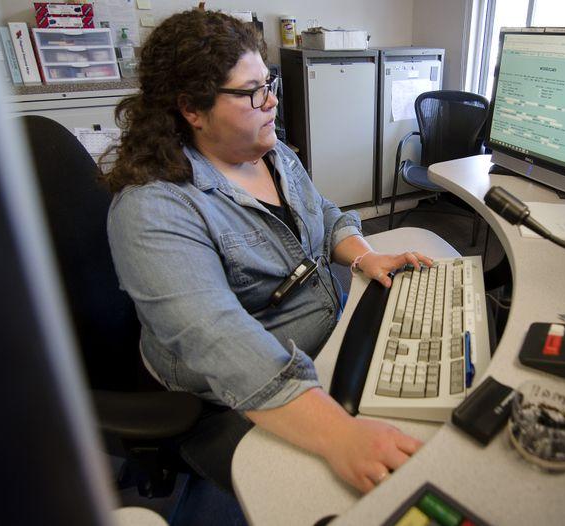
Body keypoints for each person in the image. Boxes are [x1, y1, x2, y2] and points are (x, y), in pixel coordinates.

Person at [103, 9, 431, 495]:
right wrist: (339, 434)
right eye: (253, 91)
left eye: (269, 82)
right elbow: (220, 339)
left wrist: (364, 256)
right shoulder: (153, 209)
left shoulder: (272, 152)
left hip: (323, 345)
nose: (273, 101)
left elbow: (323, 211)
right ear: (192, 108)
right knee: (332, 494)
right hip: (228, 397)